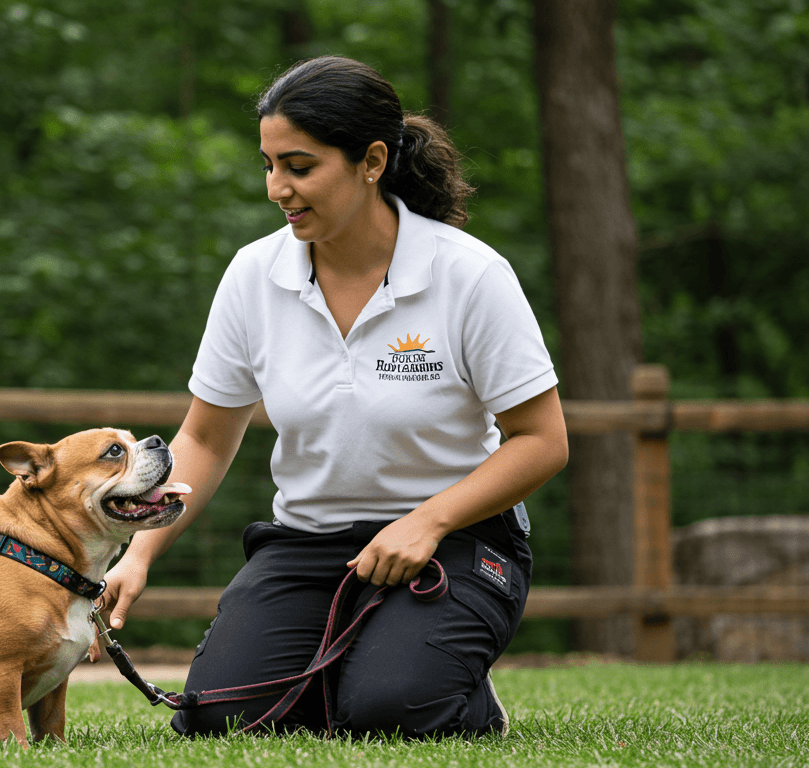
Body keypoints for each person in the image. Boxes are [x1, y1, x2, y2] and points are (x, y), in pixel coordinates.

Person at [99, 56, 568, 740]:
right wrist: (138, 549)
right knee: (218, 720)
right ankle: (354, 672)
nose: (276, 188)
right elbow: (203, 437)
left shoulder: (470, 274)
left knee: (390, 712)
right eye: (267, 165)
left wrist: (429, 521)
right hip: (306, 546)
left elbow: (542, 441)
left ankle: (445, 688)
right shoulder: (253, 275)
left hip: (456, 545)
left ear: (372, 161)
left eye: (298, 166)